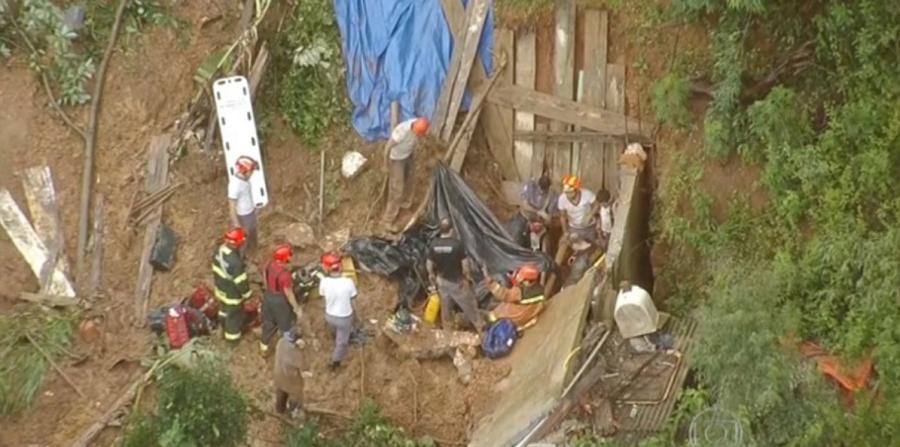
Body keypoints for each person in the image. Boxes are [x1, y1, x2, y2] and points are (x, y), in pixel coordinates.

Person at [426, 218, 485, 332]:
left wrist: (431, 275)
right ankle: (480, 327)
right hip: (457, 282)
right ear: (451, 230)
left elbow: (429, 264)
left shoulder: (434, 245)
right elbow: (465, 265)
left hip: (442, 282)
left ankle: (448, 330)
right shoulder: (457, 245)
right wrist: (467, 277)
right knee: (470, 305)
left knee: (446, 308)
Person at [381, 117, 430, 231]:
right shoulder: (402, 131)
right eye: (417, 133)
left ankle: (405, 205)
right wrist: (386, 164)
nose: (417, 135)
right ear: (413, 128)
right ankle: (387, 220)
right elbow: (387, 147)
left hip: (408, 155)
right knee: (397, 189)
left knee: (411, 181)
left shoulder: (420, 125)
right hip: (396, 159)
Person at [260, 244, 303, 356]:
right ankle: (289, 347)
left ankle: (263, 347)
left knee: (268, 322)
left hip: (268, 296)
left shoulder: (269, 264)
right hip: (279, 301)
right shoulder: (285, 275)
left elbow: (264, 277)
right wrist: (296, 308)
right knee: (286, 324)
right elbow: (289, 293)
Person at [212, 228, 253, 342]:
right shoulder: (235, 262)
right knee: (233, 317)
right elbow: (241, 282)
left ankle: (222, 324)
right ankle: (232, 340)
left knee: (223, 309)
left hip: (220, 289)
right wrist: (248, 294)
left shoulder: (218, 251)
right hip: (232, 295)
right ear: (237, 244)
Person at [318, 251, 357, 370]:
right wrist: (356, 316)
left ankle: (333, 334)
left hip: (329, 316)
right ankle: (336, 362)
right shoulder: (348, 282)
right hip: (344, 318)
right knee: (342, 342)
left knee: (335, 329)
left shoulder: (324, 282)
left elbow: (323, 295)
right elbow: (353, 300)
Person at [484, 264, 546, 329]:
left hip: (520, 318)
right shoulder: (540, 289)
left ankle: (489, 321)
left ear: (526, 281)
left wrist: (492, 284)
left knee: (500, 309)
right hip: (532, 314)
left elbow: (504, 294)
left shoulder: (519, 292)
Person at [508, 173, 553, 247]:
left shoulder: (551, 196)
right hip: (524, 217)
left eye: (544, 190)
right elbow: (524, 205)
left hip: (538, 221)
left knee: (543, 241)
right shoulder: (530, 187)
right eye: (540, 189)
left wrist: (546, 218)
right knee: (516, 234)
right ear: (537, 185)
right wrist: (538, 211)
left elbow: (550, 217)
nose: (542, 192)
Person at [228, 156, 260, 257]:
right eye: (251, 171)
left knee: (252, 235)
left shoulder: (244, 180)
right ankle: (241, 259)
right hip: (243, 216)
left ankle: (253, 253)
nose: (252, 174)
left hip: (250, 212)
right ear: (244, 171)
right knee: (243, 241)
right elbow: (232, 205)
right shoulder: (235, 185)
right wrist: (236, 223)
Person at [558, 175, 601, 244]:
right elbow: (562, 216)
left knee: (592, 248)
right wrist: (565, 232)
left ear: (577, 189)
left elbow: (597, 205)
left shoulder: (587, 194)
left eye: (570, 192)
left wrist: (590, 215)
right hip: (574, 228)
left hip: (589, 228)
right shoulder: (562, 199)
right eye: (566, 192)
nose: (568, 194)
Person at [274, 327, 306, 418]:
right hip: (291, 379)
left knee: (280, 393)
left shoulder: (280, 342)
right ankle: (294, 414)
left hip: (279, 374)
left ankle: (279, 410)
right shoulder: (295, 352)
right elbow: (303, 366)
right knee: (296, 397)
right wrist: (301, 349)